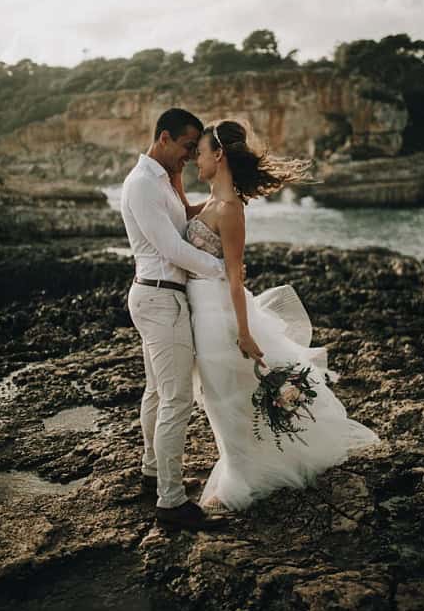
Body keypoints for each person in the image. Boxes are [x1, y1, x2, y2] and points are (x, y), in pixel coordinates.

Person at [185, 118, 379, 511]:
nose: (194, 160)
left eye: (200, 153)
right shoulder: (208, 202)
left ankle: (238, 482)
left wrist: (243, 332)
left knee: (226, 400)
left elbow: (235, 279)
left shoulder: (230, 210)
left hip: (220, 315)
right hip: (201, 312)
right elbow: (174, 211)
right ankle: (244, 467)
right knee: (219, 397)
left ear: (219, 155)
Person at [120, 108, 229, 531]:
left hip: (159, 296)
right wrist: (223, 271)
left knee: (155, 392)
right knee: (177, 400)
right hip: (161, 298)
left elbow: (182, 224)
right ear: (164, 138)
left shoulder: (161, 180)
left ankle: (152, 470)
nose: (188, 155)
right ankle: (171, 501)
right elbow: (171, 248)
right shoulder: (143, 184)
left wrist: (222, 200)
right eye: (186, 147)